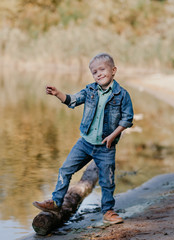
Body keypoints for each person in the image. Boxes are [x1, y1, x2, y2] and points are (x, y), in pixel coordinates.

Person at [33, 53, 134, 224]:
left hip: (105, 146)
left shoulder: (122, 95)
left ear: (113, 70)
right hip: (85, 143)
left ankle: (108, 211)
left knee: (107, 181)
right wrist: (58, 93)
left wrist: (112, 136)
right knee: (65, 169)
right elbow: (72, 100)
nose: (99, 74)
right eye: (94, 72)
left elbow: (127, 119)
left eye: (102, 69)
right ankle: (56, 202)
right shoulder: (90, 90)